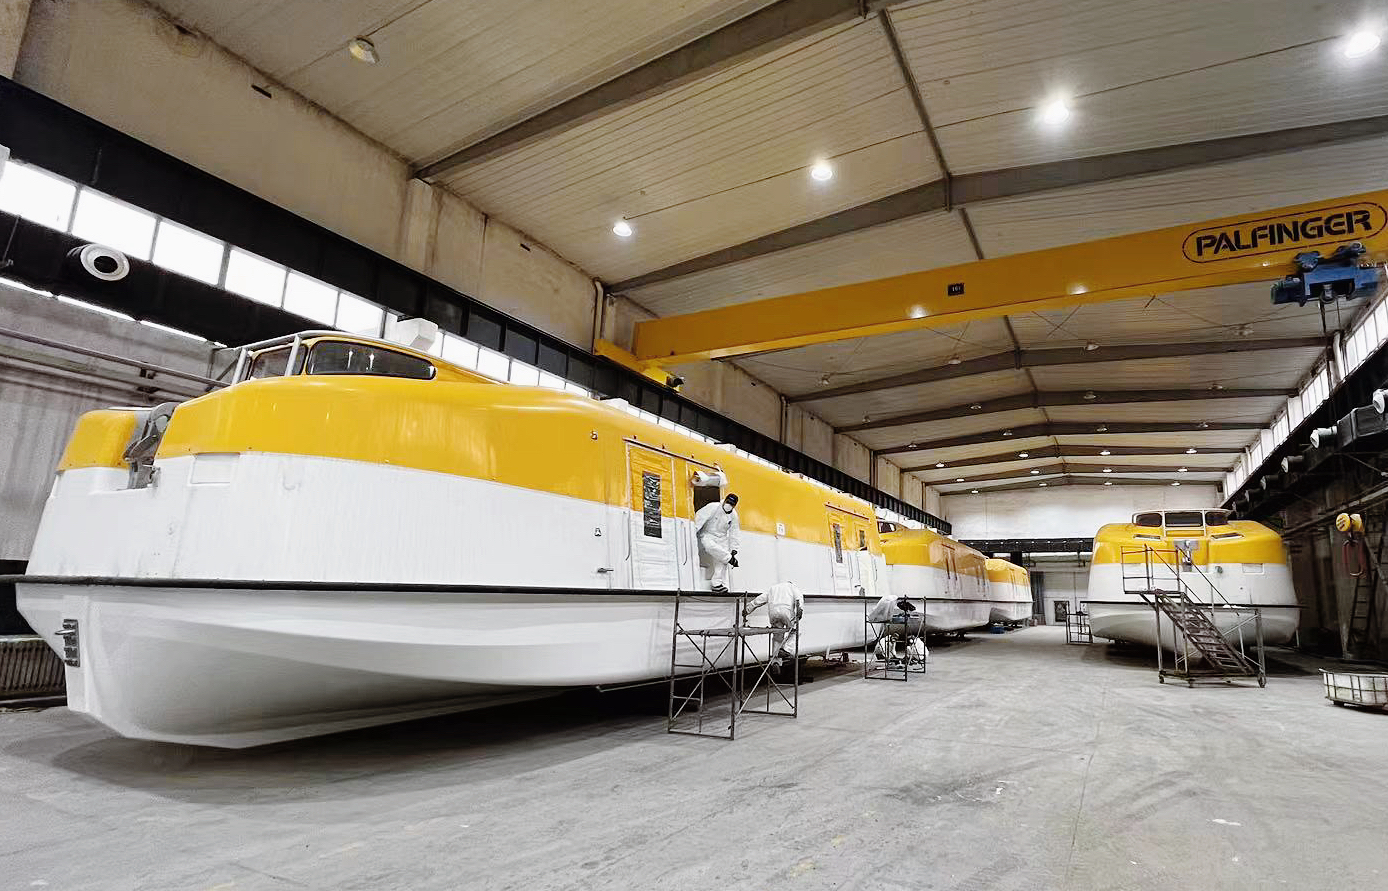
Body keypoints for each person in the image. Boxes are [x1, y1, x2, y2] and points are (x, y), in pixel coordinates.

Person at [745, 580, 803, 667]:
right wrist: (800, 609)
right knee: (795, 631)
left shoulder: (772, 589)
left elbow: (759, 600)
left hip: (773, 613)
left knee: (777, 636)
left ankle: (776, 662)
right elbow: (799, 598)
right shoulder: (793, 587)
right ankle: (786, 649)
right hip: (786, 612)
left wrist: (747, 609)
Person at [694, 493, 741, 592]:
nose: (729, 505)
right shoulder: (713, 507)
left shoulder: (734, 516)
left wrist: (734, 549)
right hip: (707, 534)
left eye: (731, 504)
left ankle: (717, 584)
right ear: (724, 501)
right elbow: (699, 517)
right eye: (728, 502)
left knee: (722, 561)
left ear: (734, 505)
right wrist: (693, 531)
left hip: (721, 537)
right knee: (710, 547)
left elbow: (734, 532)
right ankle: (729, 558)